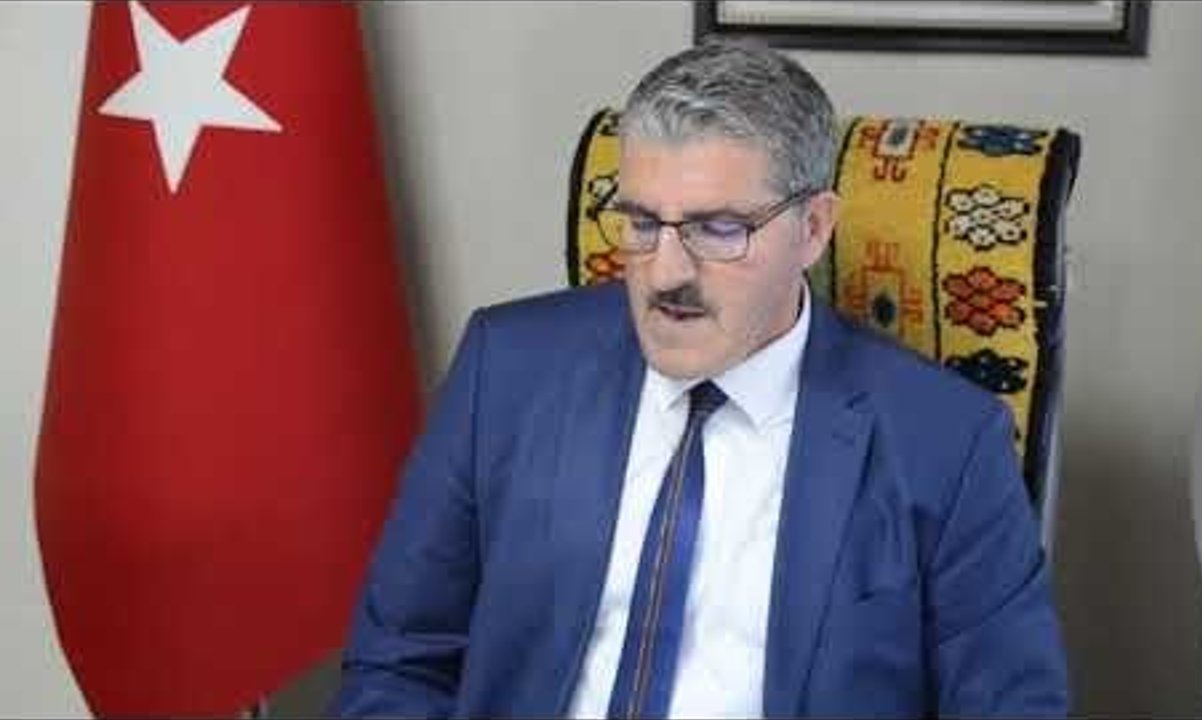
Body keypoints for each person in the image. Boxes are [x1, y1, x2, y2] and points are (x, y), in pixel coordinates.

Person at [331, 40, 1069, 718]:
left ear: (813, 228)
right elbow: (398, 665)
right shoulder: (508, 370)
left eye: (719, 229)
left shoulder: (946, 441)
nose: (665, 273)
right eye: (642, 223)